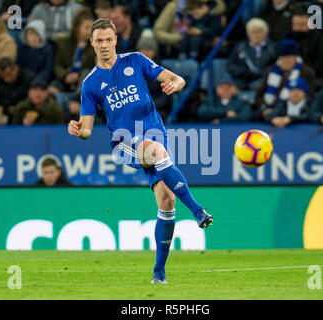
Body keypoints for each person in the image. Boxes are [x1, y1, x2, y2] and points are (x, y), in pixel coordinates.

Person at [67, 18, 213, 284]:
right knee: (154, 150)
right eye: (98, 40)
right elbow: (87, 129)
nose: (104, 45)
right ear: (91, 43)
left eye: (108, 39)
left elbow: (177, 79)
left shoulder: (135, 60)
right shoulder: (90, 84)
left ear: (115, 40)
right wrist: (79, 130)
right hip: (125, 143)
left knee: (167, 201)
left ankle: (159, 273)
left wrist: (175, 85)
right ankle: (197, 210)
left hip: (156, 134)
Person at [254, 38, 316, 122]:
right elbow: (259, 94)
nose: (285, 60)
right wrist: (264, 108)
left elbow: (310, 96)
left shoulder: (306, 72)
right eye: (282, 57)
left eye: (289, 57)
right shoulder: (270, 71)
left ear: (295, 58)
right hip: (269, 111)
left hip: (291, 112)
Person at [153, 0, 225, 58]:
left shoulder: (207, 5)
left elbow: (220, 7)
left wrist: (207, 9)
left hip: (204, 46)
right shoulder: (173, 7)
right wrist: (178, 38)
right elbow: (158, 31)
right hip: (177, 48)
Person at [51, 7, 96, 93]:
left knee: (85, 74)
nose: (90, 31)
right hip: (66, 78)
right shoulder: (64, 43)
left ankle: (76, 98)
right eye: (87, 28)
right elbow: (58, 66)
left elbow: (91, 67)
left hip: (84, 80)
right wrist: (65, 76)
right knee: (53, 88)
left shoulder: (95, 45)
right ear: (77, 28)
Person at [227, 17, 276, 90]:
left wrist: (262, 73)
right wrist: (244, 73)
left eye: (259, 31)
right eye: (253, 32)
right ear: (248, 34)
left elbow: (276, 66)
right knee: (229, 87)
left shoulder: (272, 48)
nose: (257, 35)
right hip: (242, 79)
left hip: (264, 79)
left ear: (266, 33)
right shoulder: (240, 47)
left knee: (259, 85)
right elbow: (230, 65)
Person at [137, 30, 173, 121]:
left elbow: (165, 99)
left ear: (155, 52)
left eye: (149, 49)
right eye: (142, 50)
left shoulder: (164, 71)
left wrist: (147, 106)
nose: (145, 53)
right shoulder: (132, 72)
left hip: (157, 111)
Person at [290, 8, 323, 89]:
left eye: (302, 24)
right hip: (290, 74)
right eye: (296, 25)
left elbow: (321, 65)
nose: (299, 28)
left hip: (313, 76)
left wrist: (303, 73)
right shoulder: (289, 38)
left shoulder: (319, 39)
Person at [17, 20, 54, 84]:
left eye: (37, 34)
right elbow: (19, 66)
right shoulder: (22, 48)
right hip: (24, 79)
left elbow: (47, 69)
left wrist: (38, 79)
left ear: (42, 35)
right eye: (31, 33)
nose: (33, 37)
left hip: (42, 81)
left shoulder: (47, 49)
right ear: (25, 35)